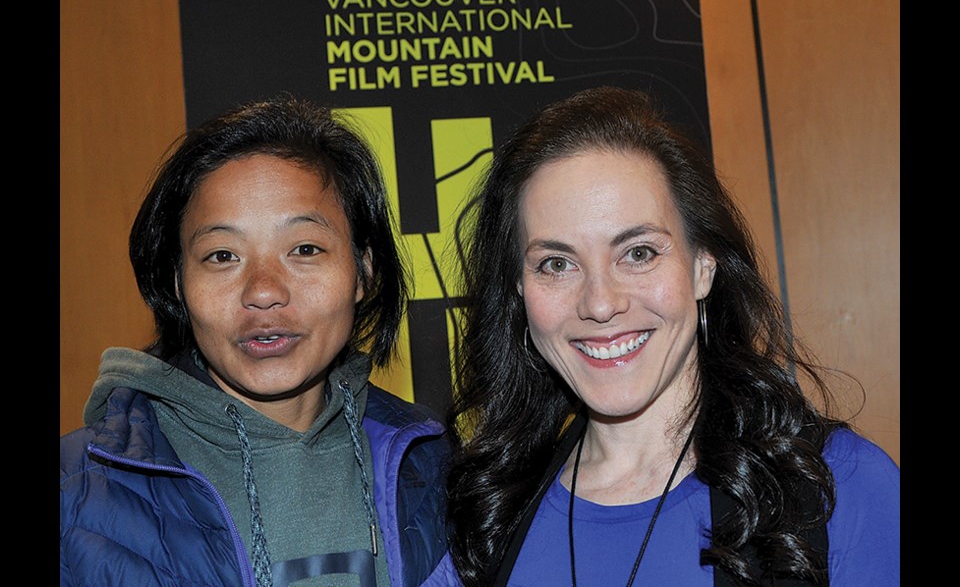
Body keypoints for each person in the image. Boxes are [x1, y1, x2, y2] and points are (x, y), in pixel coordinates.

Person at [446, 86, 899, 586]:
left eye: (638, 253)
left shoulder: (838, 486)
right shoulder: (489, 512)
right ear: (519, 289)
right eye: (556, 264)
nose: (600, 303)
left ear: (704, 264)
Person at [60, 96, 459, 587]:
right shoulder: (74, 492)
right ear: (178, 284)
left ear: (363, 271)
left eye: (306, 249)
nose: (264, 291)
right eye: (222, 255)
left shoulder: (442, 470)